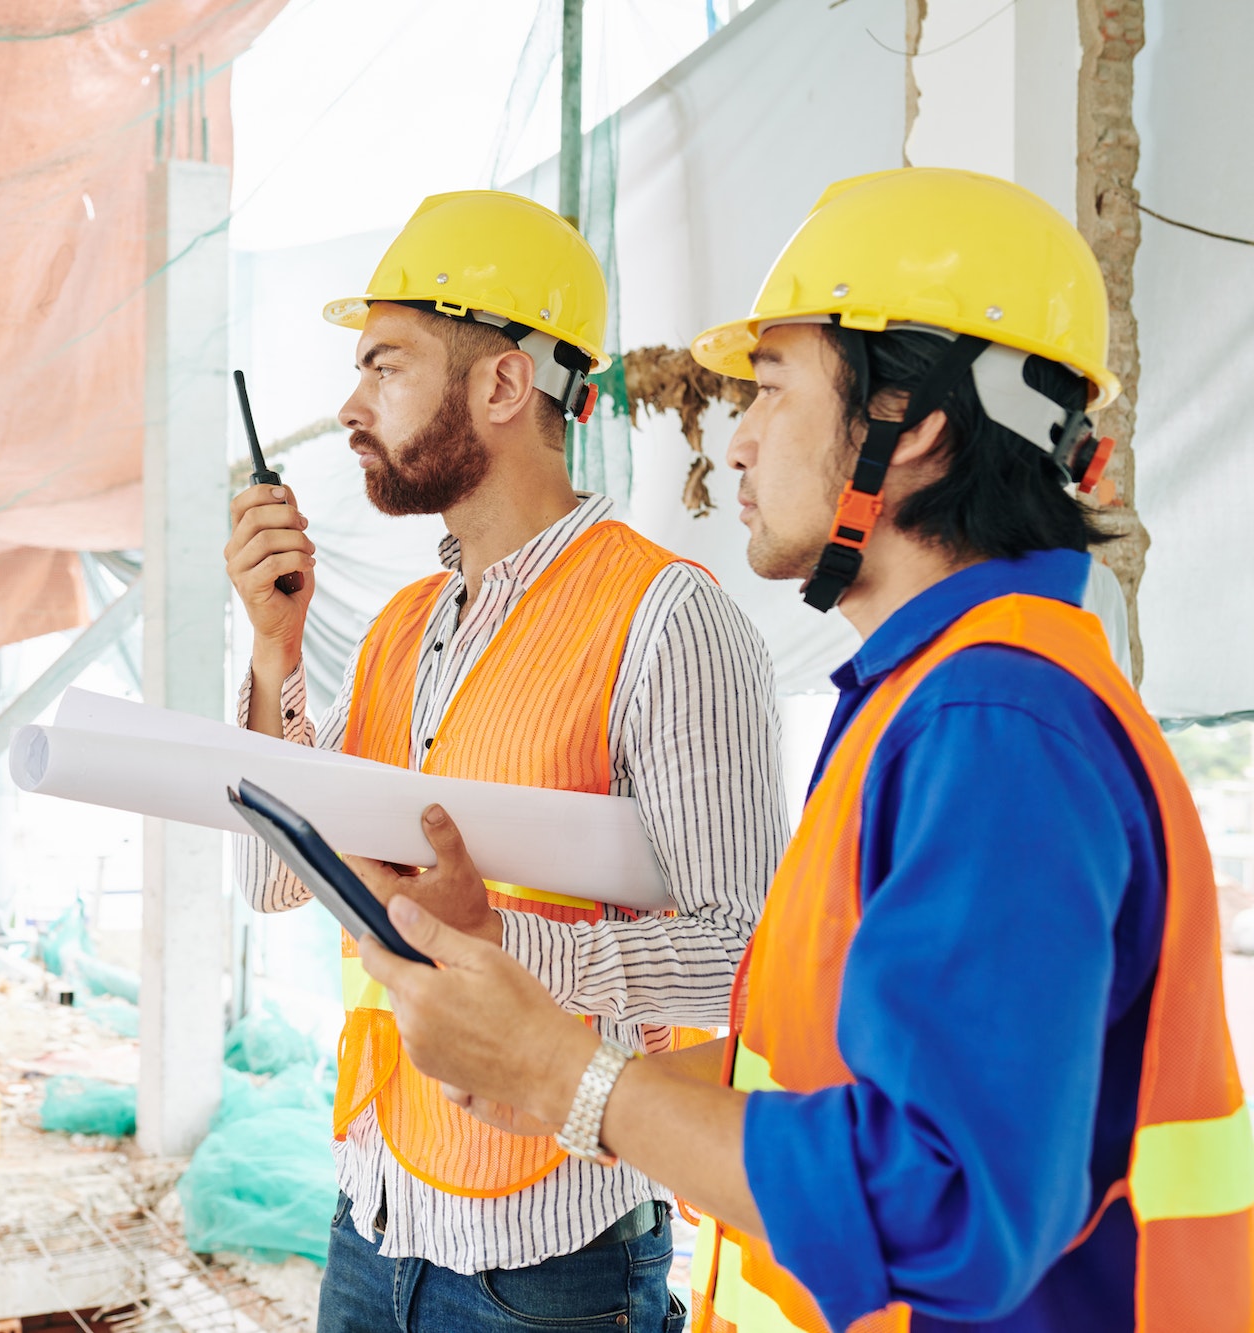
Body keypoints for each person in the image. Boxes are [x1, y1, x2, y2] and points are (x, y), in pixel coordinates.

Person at [352, 167, 1252, 1331]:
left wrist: (575, 1081)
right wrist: (558, 1082)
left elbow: (948, 1205)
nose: (732, 444)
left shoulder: (993, 725)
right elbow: (813, 1072)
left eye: (770, 390)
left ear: (909, 419)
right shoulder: (925, 699)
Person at [223, 189, 791, 1332]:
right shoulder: (396, 630)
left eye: (384, 364)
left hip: (551, 1271)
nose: (347, 404)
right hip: (372, 1226)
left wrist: (500, 943)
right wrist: (271, 647)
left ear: (498, 384)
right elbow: (272, 880)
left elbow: (747, 957)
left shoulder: (664, 618)